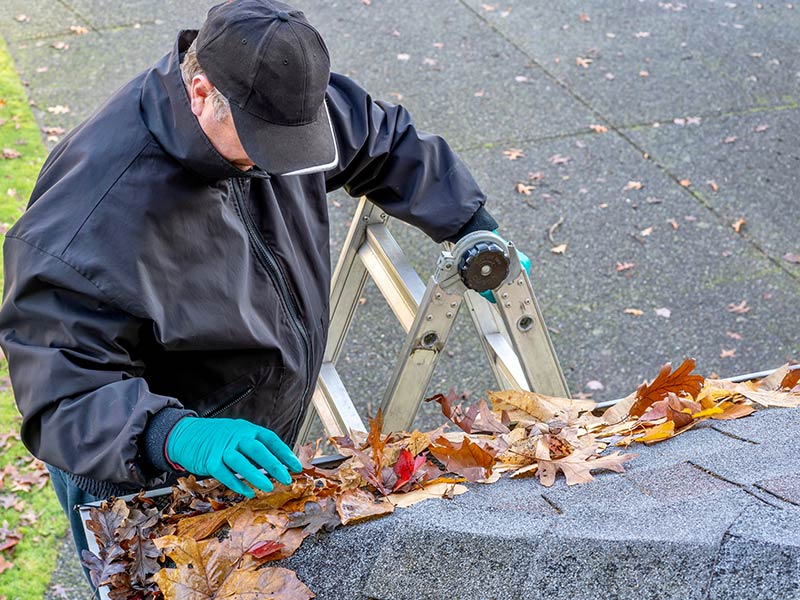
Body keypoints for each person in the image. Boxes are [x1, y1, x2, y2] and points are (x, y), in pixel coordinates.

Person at [0, 0, 524, 573]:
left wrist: (471, 227)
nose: (278, 164)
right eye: (262, 143)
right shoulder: (90, 215)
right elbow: (61, 389)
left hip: (241, 426)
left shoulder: (282, 98)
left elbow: (384, 141)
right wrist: (172, 435)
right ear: (201, 93)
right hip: (132, 458)